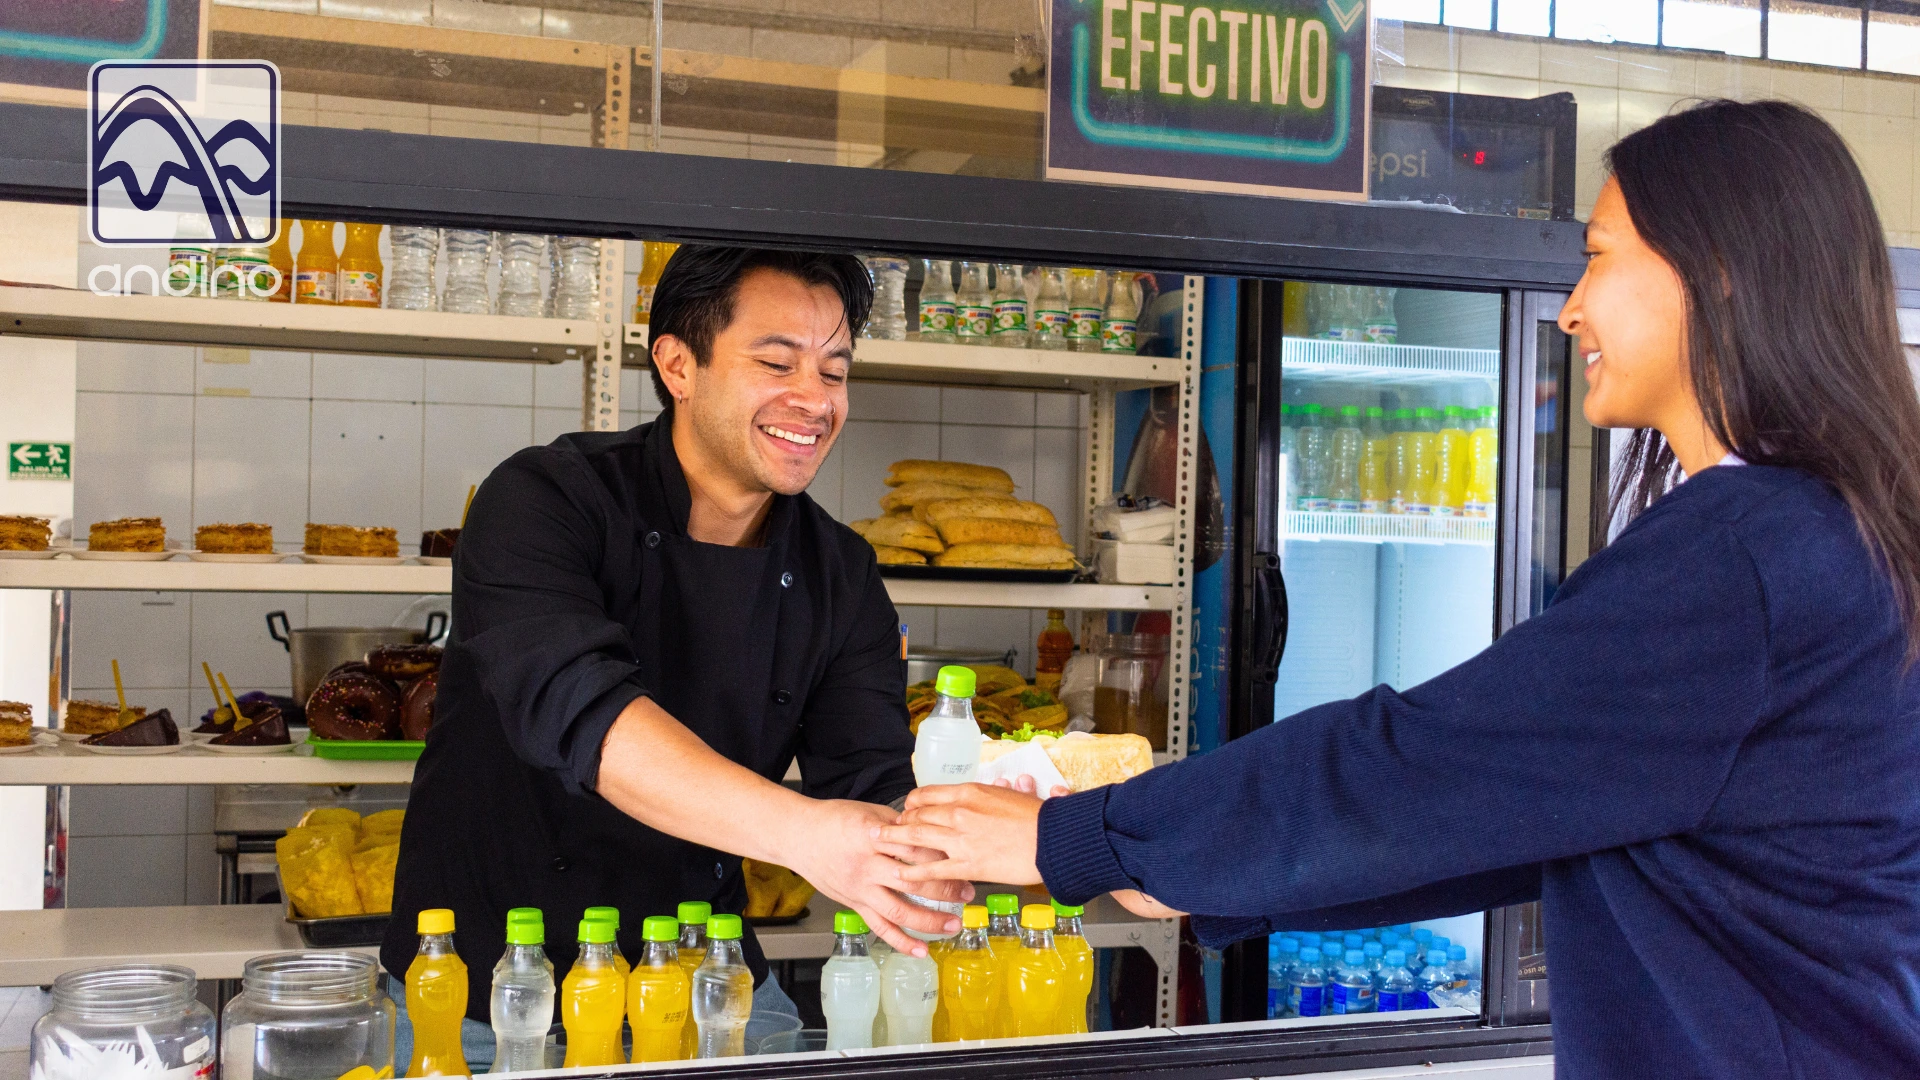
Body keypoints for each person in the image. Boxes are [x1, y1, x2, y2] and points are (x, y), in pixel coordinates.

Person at [880, 100, 1920, 1077]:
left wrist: (1085, 837)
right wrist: (1182, 871)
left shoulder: (1743, 558)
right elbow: (1503, 819)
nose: (1568, 311)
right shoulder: (1823, 531)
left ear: (1720, 270)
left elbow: (1416, 764)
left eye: (1598, 259)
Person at [386, 246, 964, 1056]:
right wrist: (810, 836)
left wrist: (964, 843)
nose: (814, 400)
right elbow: (586, 716)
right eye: (777, 363)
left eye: (834, 373)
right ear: (677, 365)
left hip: (705, 978)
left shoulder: (841, 571)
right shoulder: (544, 501)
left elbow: (871, 772)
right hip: (491, 988)